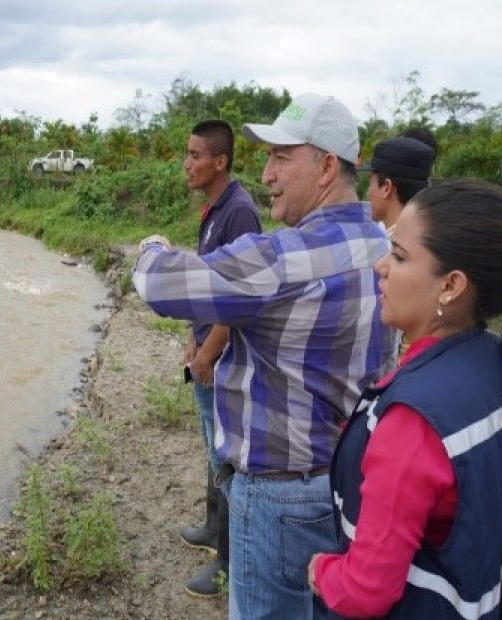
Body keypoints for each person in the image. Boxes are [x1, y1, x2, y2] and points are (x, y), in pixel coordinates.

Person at [133, 93, 395, 619]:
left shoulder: (282, 259)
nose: (268, 172)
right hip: (352, 482)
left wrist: (151, 247)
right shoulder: (388, 243)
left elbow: (160, 285)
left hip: (278, 496)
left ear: (325, 166)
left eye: (281, 157)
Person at [308, 180, 502, 619]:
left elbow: (366, 589)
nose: (381, 267)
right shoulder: (489, 358)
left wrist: (321, 571)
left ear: (450, 285)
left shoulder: (412, 421)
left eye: (398, 256)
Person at [177, 120, 262, 598]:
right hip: (205, 351)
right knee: (212, 449)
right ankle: (213, 531)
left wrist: (208, 351)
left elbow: (240, 296)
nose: (187, 164)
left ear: (220, 161)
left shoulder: (240, 214)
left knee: (226, 456)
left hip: (224, 360)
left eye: (194, 155)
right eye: (186, 155)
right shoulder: (214, 208)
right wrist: (193, 340)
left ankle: (227, 565)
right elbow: (209, 287)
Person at [359, 136, 434, 238]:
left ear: (386, 188)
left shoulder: (388, 247)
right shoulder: (429, 237)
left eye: (370, 184)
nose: (368, 193)